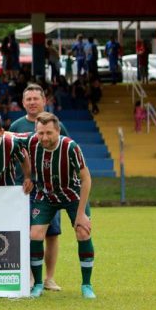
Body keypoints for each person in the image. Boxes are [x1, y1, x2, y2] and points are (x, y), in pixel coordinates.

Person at [27, 112, 96, 299]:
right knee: (35, 234)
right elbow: (8, 137)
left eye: (49, 133)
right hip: (46, 195)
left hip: (72, 195)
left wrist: (81, 214)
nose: (44, 137)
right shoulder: (32, 142)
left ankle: (87, 285)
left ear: (58, 131)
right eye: (41, 133)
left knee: (83, 232)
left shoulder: (70, 147)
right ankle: (38, 284)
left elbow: (86, 179)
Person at [9, 83, 70, 291]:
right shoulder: (16, 126)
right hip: (24, 189)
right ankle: (30, 276)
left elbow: (66, 152)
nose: (32, 102)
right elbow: (10, 155)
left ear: (44, 100)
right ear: (23, 102)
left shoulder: (57, 125)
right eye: (28, 99)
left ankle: (49, 278)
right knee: (28, 233)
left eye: (36, 98)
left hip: (50, 189)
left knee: (52, 234)